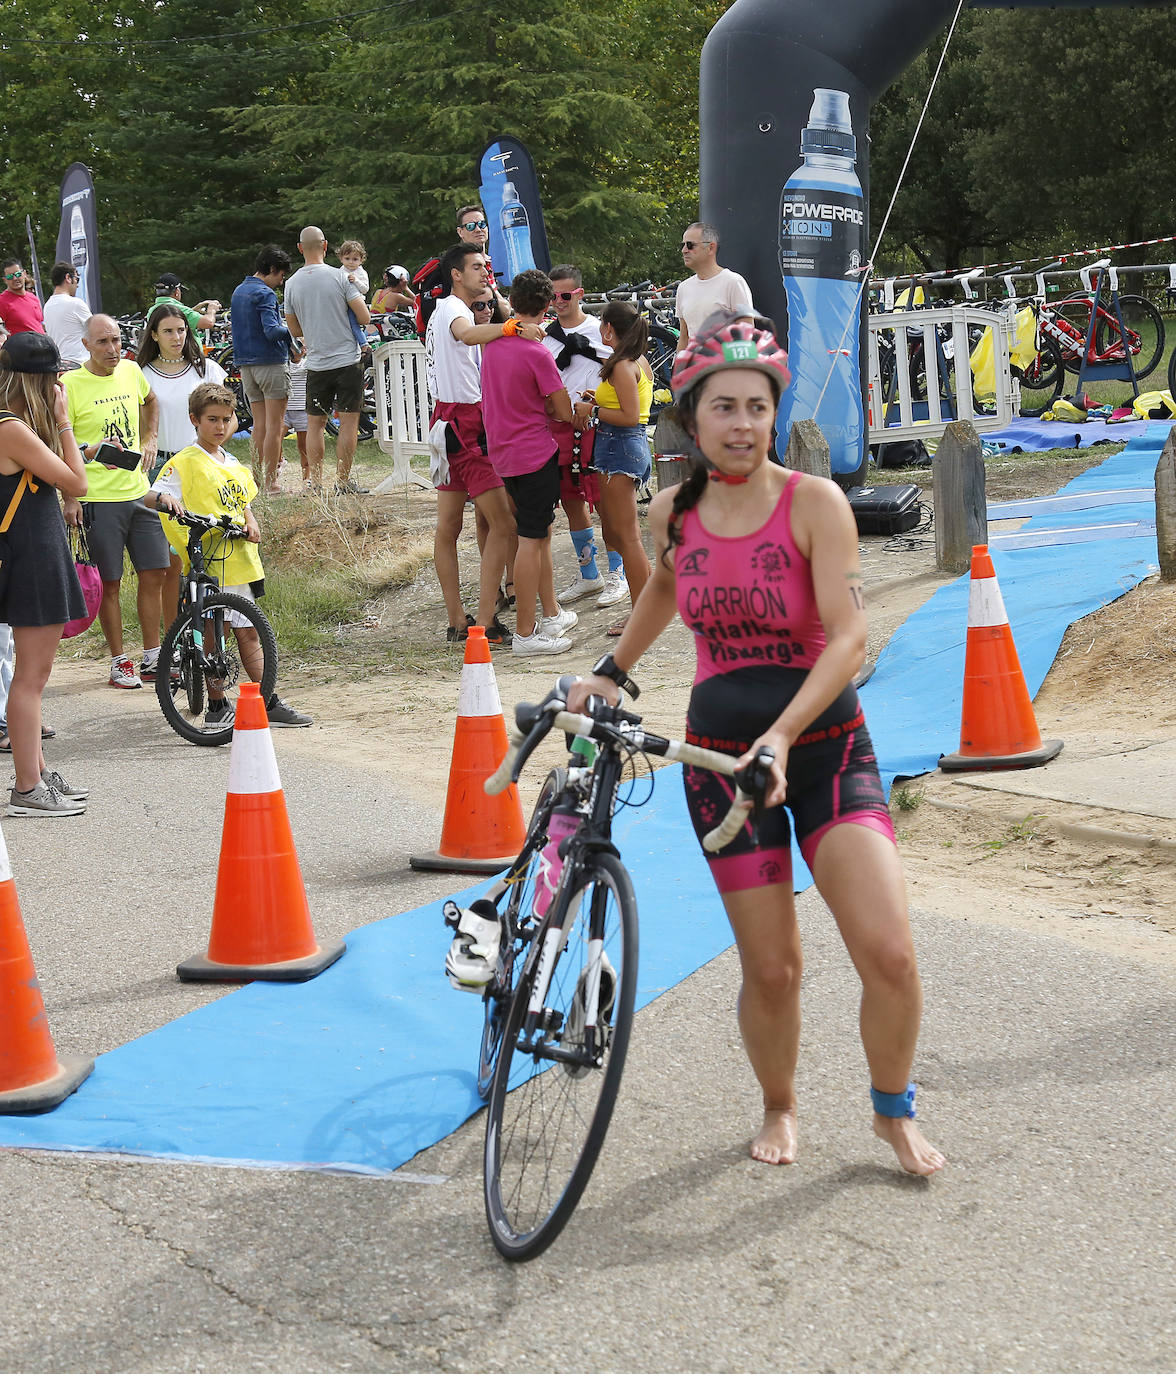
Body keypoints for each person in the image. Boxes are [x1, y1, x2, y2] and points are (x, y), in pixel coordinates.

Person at [569, 321, 945, 1177]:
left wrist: (784, 732)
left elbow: (849, 637)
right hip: (720, 769)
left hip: (825, 752)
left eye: (757, 407)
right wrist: (610, 671)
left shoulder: (813, 503)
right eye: (723, 408)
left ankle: (892, 1111)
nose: (742, 424)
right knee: (772, 972)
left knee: (888, 952)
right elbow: (665, 585)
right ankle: (780, 1104)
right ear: (692, 421)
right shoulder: (675, 511)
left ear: (775, 415)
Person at [144, 382, 312, 729]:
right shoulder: (185, 461)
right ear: (195, 420)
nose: (220, 427)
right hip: (208, 560)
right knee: (211, 633)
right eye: (212, 420)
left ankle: (269, 700)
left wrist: (251, 522)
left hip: (240, 559)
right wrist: (167, 501)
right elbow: (152, 495)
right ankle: (217, 704)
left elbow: (243, 503)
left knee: (249, 632)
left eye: (226, 419)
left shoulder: (232, 461)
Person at [425, 243, 543, 645]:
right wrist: (511, 328)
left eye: (487, 267)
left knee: (448, 526)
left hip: (446, 420)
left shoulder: (443, 309)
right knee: (505, 523)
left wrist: (504, 312)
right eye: (477, 267)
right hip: (467, 423)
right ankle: (487, 621)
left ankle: (459, 619)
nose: (485, 273)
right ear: (456, 274)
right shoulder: (455, 310)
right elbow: (469, 333)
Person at [0, 332, 89, 816]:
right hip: (30, 557)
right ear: (38, 380)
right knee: (31, 678)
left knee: (33, 675)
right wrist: (64, 423)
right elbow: (77, 481)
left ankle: (36, 774)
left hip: (32, 552)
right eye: (55, 377)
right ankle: (28, 787)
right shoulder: (10, 427)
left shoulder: (13, 425)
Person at [62, 313, 166, 689]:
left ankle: (153, 656)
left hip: (138, 491)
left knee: (154, 572)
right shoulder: (69, 384)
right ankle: (119, 660)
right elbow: (62, 441)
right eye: (103, 342)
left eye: (117, 341)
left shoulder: (130, 370)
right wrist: (70, 495)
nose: (112, 349)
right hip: (97, 497)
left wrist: (150, 438)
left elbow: (151, 400)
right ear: (86, 345)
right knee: (109, 581)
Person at [481, 269, 576, 656]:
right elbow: (562, 409)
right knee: (531, 541)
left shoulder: (494, 345)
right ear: (549, 303)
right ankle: (526, 633)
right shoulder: (537, 352)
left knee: (538, 535)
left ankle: (549, 613)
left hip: (504, 453)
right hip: (534, 453)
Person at [136, 302, 229, 624]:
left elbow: (227, 417)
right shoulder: (141, 373)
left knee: (207, 554)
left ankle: (208, 635)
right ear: (153, 334)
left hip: (201, 465)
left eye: (181, 329)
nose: (176, 337)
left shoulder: (206, 369)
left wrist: (213, 446)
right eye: (168, 331)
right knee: (168, 564)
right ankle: (173, 640)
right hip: (159, 470)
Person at [542, 265, 627, 611]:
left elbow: (627, 373)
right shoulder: (544, 337)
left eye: (564, 295)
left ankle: (618, 572)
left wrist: (593, 401)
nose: (558, 302)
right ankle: (588, 573)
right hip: (560, 428)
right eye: (552, 296)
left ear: (579, 294)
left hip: (598, 425)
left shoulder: (601, 333)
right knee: (571, 499)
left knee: (607, 501)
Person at [581, 300, 653, 636]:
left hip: (620, 446)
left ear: (609, 328)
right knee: (620, 534)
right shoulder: (636, 361)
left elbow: (629, 415)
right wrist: (598, 402)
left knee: (628, 538)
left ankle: (642, 616)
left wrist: (591, 412)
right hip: (624, 447)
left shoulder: (623, 365)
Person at [283, 226, 372, 495]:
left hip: (317, 363)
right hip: (347, 359)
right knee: (348, 422)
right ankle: (343, 482)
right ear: (325, 246)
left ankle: (316, 483)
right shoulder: (341, 277)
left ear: (300, 248)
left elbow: (295, 330)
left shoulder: (291, 284)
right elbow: (365, 317)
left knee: (315, 424)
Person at [229, 245, 300, 496]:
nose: (280, 282)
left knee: (259, 425)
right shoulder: (265, 293)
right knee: (274, 425)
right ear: (271, 269)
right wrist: (293, 333)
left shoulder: (239, 291)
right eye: (280, 276)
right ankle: (271, 484)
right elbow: (272, 330)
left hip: (246, 366)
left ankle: (257, 481)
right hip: (270, 364)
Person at [674, 223, 754, 353]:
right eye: (682, 245)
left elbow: (746, 335)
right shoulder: (683, 288)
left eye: (690, 245)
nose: (684, 250)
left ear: (711, 248)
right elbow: (684, 337)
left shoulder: (733, 282)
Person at [42, 262, 91, 365]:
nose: (77, 285)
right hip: (81, 364)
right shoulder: (75, 304)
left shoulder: (47, 306)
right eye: (77, 279)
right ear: (68, 277)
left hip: (60, 365)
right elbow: (97, 331)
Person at [150, 273, 221, 335]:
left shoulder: (152, 309)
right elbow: (208, 323)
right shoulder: (176, 309)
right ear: (177, 292)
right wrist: (211, 310)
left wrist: (194, 309)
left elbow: (180, 316)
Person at [0, 260, 45, 337]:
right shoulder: (2, 301)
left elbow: (39, 324)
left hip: (42, 346)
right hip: (19, 347)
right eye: (10, 276)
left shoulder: (33, 298)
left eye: (18, 274)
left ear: (24, 274)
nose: (15, 278)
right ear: (5, 280)